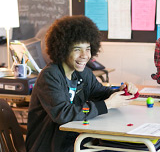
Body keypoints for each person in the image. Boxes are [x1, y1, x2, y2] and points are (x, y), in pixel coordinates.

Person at [25, 15, 138, 152]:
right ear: (63, 49)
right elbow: (64, 114)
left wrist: (121, 91)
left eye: (88, 48)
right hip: (49, 146)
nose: (85, 55)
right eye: (77, 49)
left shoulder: (83, 73)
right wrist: (108, 104)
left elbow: (101, 94)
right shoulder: (50, 76)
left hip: (76, 140)